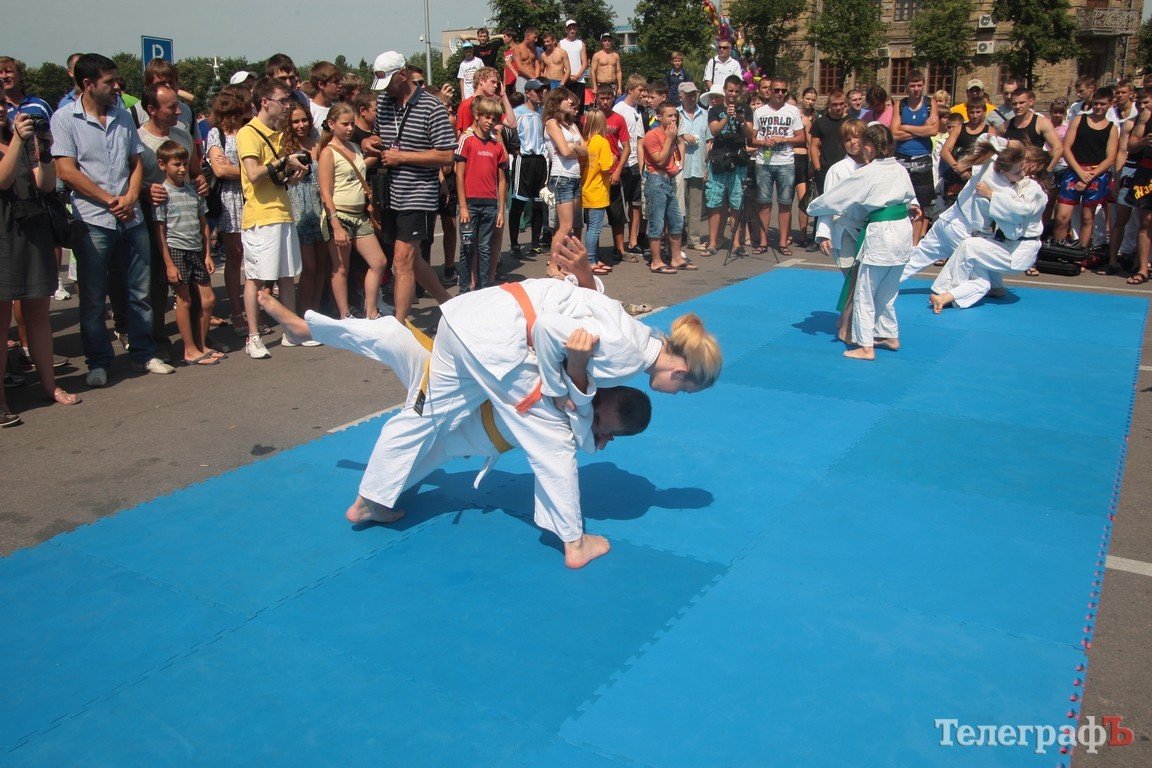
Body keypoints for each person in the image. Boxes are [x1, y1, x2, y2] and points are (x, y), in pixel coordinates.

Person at [325, 236, 721, 568]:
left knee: (423, 417)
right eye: (684, 392)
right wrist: (557, 389)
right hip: (500, 341)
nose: (676, 395)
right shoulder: (629, 353)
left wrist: (575, 387)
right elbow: (549, 330)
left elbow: (581, 310)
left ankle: (369, 500)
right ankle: (573, 542)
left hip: (465, 321)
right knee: (553, 443)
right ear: (681, 373)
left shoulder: (638, 336)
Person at [256, 288, 653, 556]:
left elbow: (568, 454)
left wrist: (573, 535)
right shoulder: (577, 385)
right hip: (455, 385)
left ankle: (369, 504)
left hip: (458, 438)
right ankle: (307, 327)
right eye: (598, 397)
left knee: (416, 454)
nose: (589, 402)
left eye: (598, 415)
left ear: (606, 434)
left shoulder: (576, 431)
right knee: (392, 334)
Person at [51, 53, 172, 386]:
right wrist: (108, 200)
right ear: (88, 84)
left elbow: (136, 161)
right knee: (93, 297)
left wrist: (131, 196)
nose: (117, 86)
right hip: (93, 220)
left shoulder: (122, 116)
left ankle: (144, 353)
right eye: (110, 81)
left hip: (130, 217)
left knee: (140, 292)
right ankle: (98, 361)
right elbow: (66, 170)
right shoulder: (64, 119)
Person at [807, 125, 919, 361]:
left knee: (864, 291)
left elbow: (835, 199)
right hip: (902, 232)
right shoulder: (898, 168)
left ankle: (865, 345)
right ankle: (889, 334)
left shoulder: (869, 172)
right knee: (888, 290)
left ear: (869, 147)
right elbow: (909, 197)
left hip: (882, 233)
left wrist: (812, 207)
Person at [1, 103, 81, 425]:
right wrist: (19, 142)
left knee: (37, 313)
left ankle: (49, 386)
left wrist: (44, 151)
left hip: (31, 231)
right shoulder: (14, 142)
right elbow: (3, 180)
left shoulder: (16, 140)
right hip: (3, 236)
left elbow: (45, 184)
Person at [362, 52, 453, 324]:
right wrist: (370, 142)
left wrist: (403, 157)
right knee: (410, 259)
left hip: (419, 193)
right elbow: (382, 138)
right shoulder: (384, 102)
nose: (385, 90)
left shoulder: (431, 107)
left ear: (402, 75)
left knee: (402, 260)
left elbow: (446, 155)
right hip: (391, 192)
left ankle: (399, 325)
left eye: (388, 82)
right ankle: (449, 303)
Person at [235, 77, 309, 359]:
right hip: (260, 216)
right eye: (283, 100)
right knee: (255, 277)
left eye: (289, 100)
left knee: (287, 275)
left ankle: (291, 331)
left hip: (282, 211)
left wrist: (293, 170)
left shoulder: (279, 133)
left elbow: (276, 175)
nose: (287, 106)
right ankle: (253, 336)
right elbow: (253, 173)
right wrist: (282, 162)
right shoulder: (248, 133)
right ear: (265, 102)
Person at [929, 141, 1050, 312]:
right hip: (1010, 245)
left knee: (969, 246)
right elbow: (989, 141)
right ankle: (996, 287)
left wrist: (991, 195)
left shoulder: (1035, 189)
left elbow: (1019, 211)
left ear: (1036, 165)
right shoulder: (1017, 182)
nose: (1020, 162)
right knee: (980, 242)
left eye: (1025, 160)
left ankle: (947, 294)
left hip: (1020, 251)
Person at [317, 102, 390, 320]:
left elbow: (359, 170)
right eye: (344, 124)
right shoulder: (328, 152)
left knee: (379, 262)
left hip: (359, 215)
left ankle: (371, 311)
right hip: (339, 215)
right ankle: (344, 314)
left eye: (351, 124)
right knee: (341, 268)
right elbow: (325, 193)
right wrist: (336, 225)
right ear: (331, 124)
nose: (349, 129)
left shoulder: (355, 148)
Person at [152, 140, 222, 366]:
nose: (182, 169)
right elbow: (160, 232)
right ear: (162, 165)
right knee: (184, 301)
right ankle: (189, 349)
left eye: (184, 164)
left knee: (209, 299)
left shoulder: (193, 191)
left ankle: (201, 345)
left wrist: (208, 253)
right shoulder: (163, 193)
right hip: (177, 251)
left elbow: (204, 224)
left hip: (196, 251)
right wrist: (169, 264)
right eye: (176, 164)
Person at [813, 118, 868, 342]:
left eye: (857, 137)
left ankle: (850, 322)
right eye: (848, 139)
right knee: (853, 281)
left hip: (868, 229)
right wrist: (824, 233)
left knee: (861, 282)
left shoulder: (873, 165)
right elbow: (828, 203)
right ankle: (847, 324)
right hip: (844, 229)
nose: (853, 142)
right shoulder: (838, 170)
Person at [205, 85, 253, 335]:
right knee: (235, 257)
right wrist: (252, 172)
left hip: (253, 198)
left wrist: (241, 170)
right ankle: (236, 311)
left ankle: (254, 310)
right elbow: (220, 170)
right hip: (230, 201)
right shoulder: (216, 134)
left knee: (255, 259)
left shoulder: (250, 129)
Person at [1052, 87, 1118, 249]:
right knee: (1062, 216)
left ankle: (1080, 254)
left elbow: (1110, 157)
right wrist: (1080, 172)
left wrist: (1091, 174)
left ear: (1110, 104)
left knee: (1087, 218)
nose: (1098, 107)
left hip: (1096, 174)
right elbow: (1066, 148)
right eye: (1096, 103)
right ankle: (1058, 250)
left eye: (1103, 104)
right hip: (1075, 170)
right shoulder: (1079, 120)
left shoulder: (1112, 128)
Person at [455, 97, 508, 291]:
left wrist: (501, 210)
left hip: (490, 204)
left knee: (485, 248)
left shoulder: (497, 146)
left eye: (494, 119)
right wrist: (463, 207)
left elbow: (502, 180)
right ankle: (464, 290)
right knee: (467, 247)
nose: (490, 122)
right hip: (469, 203)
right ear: (477, 116)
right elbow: (459, 174)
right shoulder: (466, 140)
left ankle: (485, 290)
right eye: (486, 117)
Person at [750, 77, 805, 256]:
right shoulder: (760, 112)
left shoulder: (793, 111)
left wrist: (784, 139)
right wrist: (764, 141)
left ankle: (783, 242)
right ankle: (763, 242)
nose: (780, 94)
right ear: (769, 91)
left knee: (785, 204)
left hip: (785, 162)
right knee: (764, 204)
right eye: (776, 90)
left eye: (783, 91)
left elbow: (801, 137)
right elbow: (752, 139)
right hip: (764, 162)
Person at [282, 102, 326, 320]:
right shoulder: (283, 147)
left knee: (321, 268)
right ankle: (304, 313)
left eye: (304, 120)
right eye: (296, 121)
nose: (301, 125)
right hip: (297, 210)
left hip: (318, 209)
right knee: (308, 268)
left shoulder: (316, 143)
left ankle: (315, 313)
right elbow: (281, 180)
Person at [643, 101, 694, 274]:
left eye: (675, 115)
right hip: (656, 181)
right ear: (659, 117)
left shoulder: (672, 135)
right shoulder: (652, 135)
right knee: (657, 223)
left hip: (668, 181)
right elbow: (659, 160)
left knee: (676, 220)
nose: (674, 119)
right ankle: (656, 261)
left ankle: (676, 257)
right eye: (669, 115)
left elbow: (676, 157)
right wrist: (670, 139)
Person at [706, 75, 754, 255]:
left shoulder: (746, 109)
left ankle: (736, 243)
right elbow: (714, 130)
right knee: (715, 202)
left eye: (736, 91)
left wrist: (740, 119)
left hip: (738, 160)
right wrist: (726, 117)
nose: (733, 94)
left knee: (736, 203)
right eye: (730, 91)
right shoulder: (715, 109)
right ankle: (712, 243)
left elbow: (750, 134)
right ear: (725, 90)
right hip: (719, 159)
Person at [890, 70, 938, 244]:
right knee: (900, 200)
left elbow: (933, 130)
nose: (916, 89)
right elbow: (894, 133)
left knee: (921, 203)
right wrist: (920, 130)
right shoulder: (900, 105)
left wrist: (906, 127)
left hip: (922, 158)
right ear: (906, 87)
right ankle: (899, 240)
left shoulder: (929, 103)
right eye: (912, 86)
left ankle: (914, 244)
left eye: (919, 85)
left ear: (924, 85)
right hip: (902, 157)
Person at [544, 87, 587, 273]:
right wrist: (574, 147)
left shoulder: (572, 125)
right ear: (557, 102)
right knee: (565, 226)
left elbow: (585, 151)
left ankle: (562, 264)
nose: (572, 103)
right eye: (568, 100)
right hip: (561, 178)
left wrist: (574, 146)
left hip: (574, 177)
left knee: (571, 226)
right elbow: (565, 151)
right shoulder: (552, 123)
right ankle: (553, 266)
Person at [509, 80, 548, 258]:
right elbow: (505, 130)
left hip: (540, 160)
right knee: (518, 202)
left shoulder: (543, 113)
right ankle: (515, 243)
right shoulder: (517, 113)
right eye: (537, 91)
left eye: (542, 92)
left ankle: (535, 243)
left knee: (539, 203)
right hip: (523, 160)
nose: (540, 94)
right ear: (527, 92)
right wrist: (514, 149)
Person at [596, 84, 632, 262]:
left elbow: (626, 147)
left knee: (616, 214)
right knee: (594, 215)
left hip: (612, 173)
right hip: (595, 176)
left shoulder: (619, 119)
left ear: (612, 98)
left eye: (608, 98)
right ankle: (592, 252)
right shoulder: (589, 118)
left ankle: (620, 249)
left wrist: (618, 170)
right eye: (601, 98)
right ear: (596, 99)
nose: (604, 102)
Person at [613, 76, 647, 255]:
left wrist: (641, 166)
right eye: (640, 90)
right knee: (618, 206)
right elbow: (615, 138)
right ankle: (618, 244)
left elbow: (640, 139)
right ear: (631, 90)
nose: (643, 94)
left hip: (634, 162)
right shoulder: (619, 109)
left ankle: (633, 241)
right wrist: (619, 162)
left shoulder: (638, 110)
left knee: (635, 205)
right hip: (621, 163)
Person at [580, 107, 614, 274]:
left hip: (586, 188)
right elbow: (606, 167)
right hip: (597, 189)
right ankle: (591, 260)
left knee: (591, 227)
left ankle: (594, 258)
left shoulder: (586, 141)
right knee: (595, 228)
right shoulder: (602, 142)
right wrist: (614, 158)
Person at [677, 82, 709, 251]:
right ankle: (677, 237)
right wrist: (682, 136)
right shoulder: (674, 114)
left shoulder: (704, 114)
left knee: (695, 207)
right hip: (678, 167)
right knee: (678, 206)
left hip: (698, 165)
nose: (691, 97)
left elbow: (709, 141)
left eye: (693, 93)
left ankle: (694, 239)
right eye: (688, 94)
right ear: (680, 95)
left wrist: (706, 165)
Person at [940, 98, 989, 206]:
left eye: (978, 112)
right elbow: (944, 152)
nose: (975, 115)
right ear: (967, 112)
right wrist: (958, 168)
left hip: (979, 177)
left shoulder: (990, 131)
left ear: (984, 112)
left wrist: (970, 165)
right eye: (971, 112)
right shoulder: (959, 129)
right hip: (959, 177)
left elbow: (991, 155)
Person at [810, 89, 849, 196]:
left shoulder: (850, 121)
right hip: (825, 169)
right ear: (829, 105)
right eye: (835, 104)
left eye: (841, 104)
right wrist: (817, 169)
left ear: (845, 103)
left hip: (846, 168)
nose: (838, 107)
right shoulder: (820, 122)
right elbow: (813, 146)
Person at [559, 20, 589, 112]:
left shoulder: (581, 44)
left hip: (579, 80)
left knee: (578, 107)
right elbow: (559, 62)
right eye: (570, 28)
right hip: (566, 80)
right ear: (566, 30)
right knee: (565, 106)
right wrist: (567, 76)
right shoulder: (561, 43)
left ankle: (578, 126)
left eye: (574, 28)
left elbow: (585, 63)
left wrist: (577, 76)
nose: (572, 30)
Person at [307, 61, 340, 131]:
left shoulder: (339, 109)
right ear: (321, 84)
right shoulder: (309, 111)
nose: (340, 85)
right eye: (335, 82)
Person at [514, 28, 541, 93]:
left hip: (533, 78)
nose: (536, 40)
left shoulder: (533, 49)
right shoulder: (518, 48)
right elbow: (519, 67)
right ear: (528, 36)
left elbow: (537, 64)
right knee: (522, 99)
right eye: (534, 37)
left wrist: (536, 77)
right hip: (523, 78)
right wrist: (532, 77)